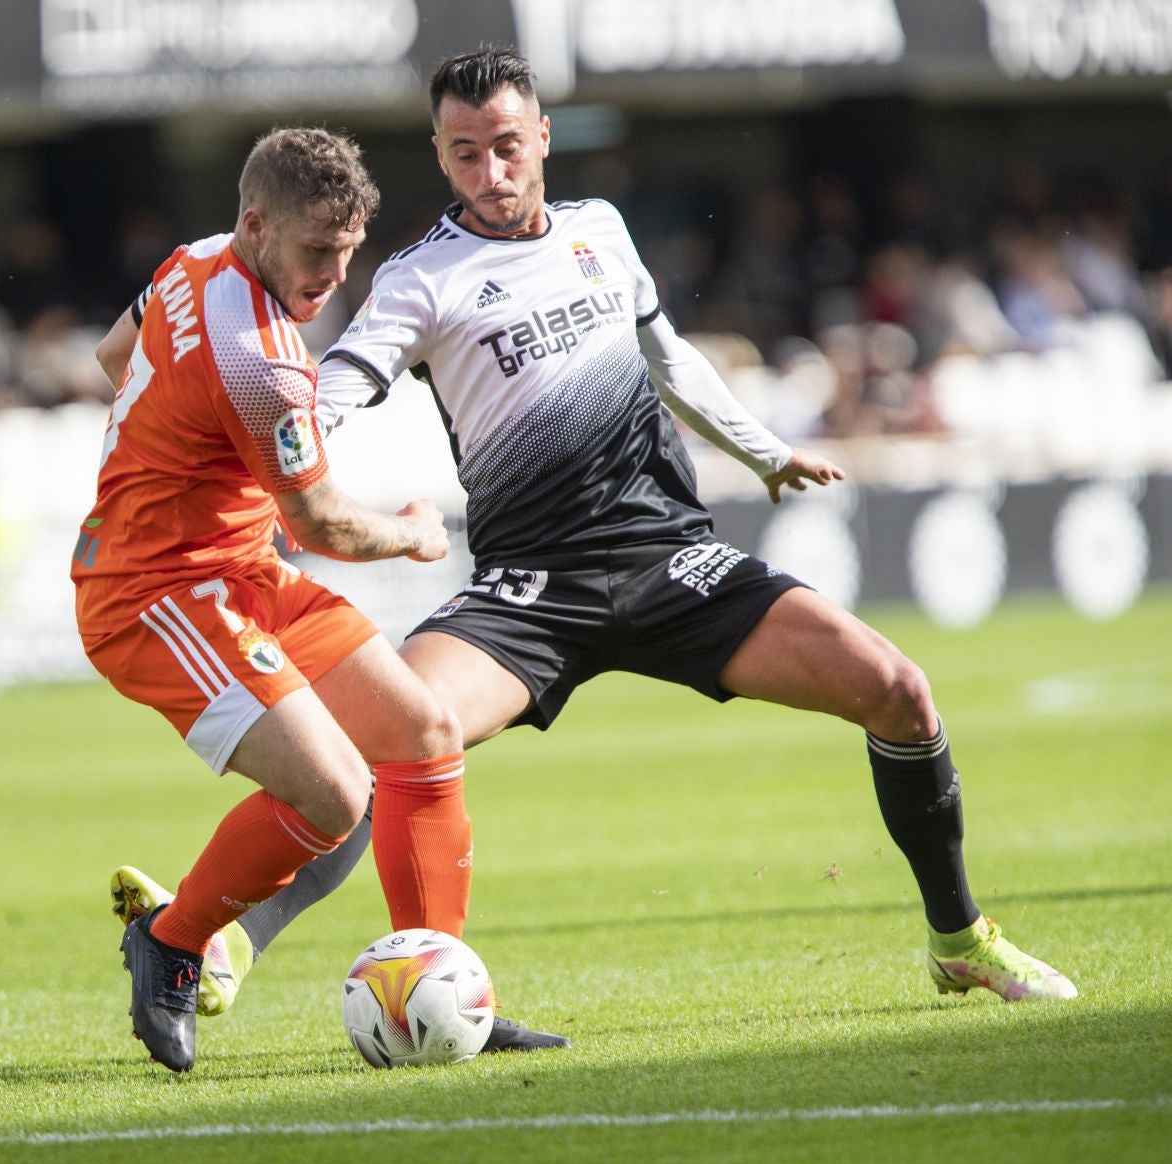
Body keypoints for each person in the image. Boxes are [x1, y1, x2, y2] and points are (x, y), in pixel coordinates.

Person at [125, 48, 1075, 1022]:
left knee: (900, 692)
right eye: (462, 156)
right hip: (529, 591)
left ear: (542, 137)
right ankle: (234, 934)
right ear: (443, 157)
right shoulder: (421, 279)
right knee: (395, 739)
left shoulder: (601, 233)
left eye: (504, 147)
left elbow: (668, 359)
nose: (488, 175)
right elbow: (333, 386)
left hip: (671, 561)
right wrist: (275, 434)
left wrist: (763, 452)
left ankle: (960, 940)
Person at [75, 127, 561, 1073]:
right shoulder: (261, 359)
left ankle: (438, 977)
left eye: (347, 254)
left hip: (236, 569)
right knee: (335, 795)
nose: (332, 277)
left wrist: (173, 449)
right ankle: (173, 944)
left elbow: (112, 354)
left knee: (422, 729)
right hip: (155, 591)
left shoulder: (195, 259)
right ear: (258, 225)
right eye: (314, 253)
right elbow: (327, 528)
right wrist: (421, 532)